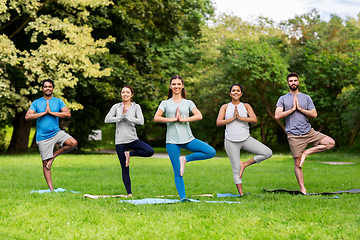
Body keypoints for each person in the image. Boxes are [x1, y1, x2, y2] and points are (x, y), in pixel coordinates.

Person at [154, 75, 216, 200]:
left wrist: (183, 119)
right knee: (178, 171)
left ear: (182, 86)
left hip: (188, 139)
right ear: (170, 86)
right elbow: (157, 117)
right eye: (174, 84)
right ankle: (183, 198)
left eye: (178, 84)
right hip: (172, 141)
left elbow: (199, 115)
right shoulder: (165, 103)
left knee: (210, 152)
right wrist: (173, 119)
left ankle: (185, 159)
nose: (176, 86)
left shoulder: (188, 103)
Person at [275, 72, 335, 194]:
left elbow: (314, 114)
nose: (293, 83)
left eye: (295, 80)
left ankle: (306, 152)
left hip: (309, 132)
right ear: (288, 84)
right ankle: (303, 189)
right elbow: (277, 115)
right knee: (298, 164)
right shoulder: (283, 99)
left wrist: (300, 109)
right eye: (290, 81)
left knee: (330, 143)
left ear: (298, 82)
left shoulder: (306, 98)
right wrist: (291, 110)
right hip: (294, 135)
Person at [216, 84, 272, 196]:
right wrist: (232, 118)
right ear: (230, 93)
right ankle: (241, 195)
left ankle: (245, 164)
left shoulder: (246, 106)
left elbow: (254, 119)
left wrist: (240, 118)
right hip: (230, 141)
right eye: (233, 90)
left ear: (241, 93)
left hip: (245, 139)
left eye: (238, 90)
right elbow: (218, 122)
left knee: (267, 153)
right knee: (236, 168)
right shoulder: (225, 107)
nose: (235, 92)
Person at [25, 79, 78, 191]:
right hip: (43, 137)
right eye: (45, 86)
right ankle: (52, 190)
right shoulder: (37, 102)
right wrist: (43, 113)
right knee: (45, 163)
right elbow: (27, 116)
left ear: (53, 88)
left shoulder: (58, 102)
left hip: (56, 132)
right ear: (42, 89)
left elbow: (67, 114)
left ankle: (53, 156)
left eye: (50, 86)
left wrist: (51, 113)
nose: (47, 88)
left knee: (73, 143)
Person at [105, 85, 154, 197]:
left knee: (149, 151)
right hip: (120, 141)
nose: (125, 94)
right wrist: (120, 117)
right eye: (123, 92)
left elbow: (141, 121)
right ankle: (129, 193)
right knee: (125, 168)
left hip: (133, 139)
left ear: (132, 94)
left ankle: (129, 154)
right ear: (121, 94)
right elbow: (107, 119)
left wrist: (127, 116)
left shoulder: (136, 107)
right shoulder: (116, 107)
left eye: (127, 92)